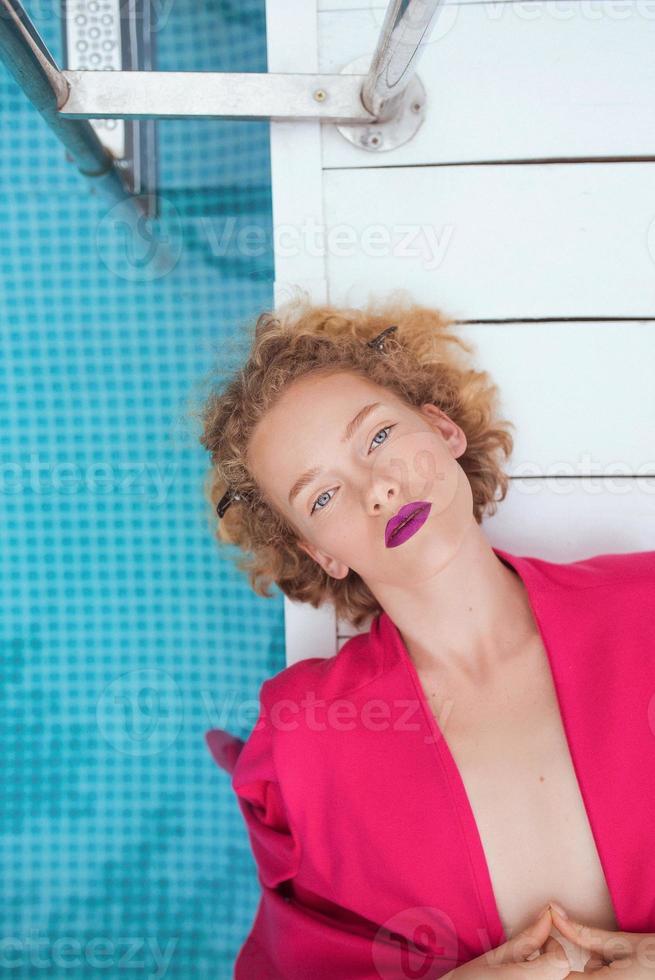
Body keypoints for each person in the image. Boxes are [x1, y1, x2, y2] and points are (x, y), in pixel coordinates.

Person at [198, 290, 655, 979]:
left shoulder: (643, 609)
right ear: (319, 550)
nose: (375, 488)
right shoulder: (302, 745)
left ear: (442, 429)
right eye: (321, 496)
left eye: (377, 437)